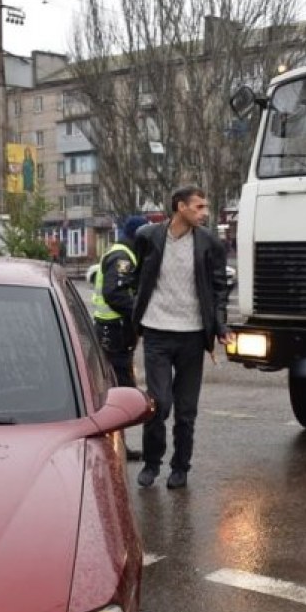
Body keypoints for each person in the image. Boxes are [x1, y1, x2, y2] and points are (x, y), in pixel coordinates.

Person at [132, 187, 231, 490]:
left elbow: (219, 289)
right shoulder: (148, 236)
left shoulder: (210, 243)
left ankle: (181, 468)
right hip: (157, 331)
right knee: (159, 404)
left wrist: (221, 326)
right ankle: (151, 463)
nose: (205, 212)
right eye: (199, 206)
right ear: (180, 207)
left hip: (192, 335)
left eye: (206, 206)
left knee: (186, 410)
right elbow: (139, 277)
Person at [92, 215, 147, 462]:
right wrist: (141, 310)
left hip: (115, 331)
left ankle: (118, 446)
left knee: (117, 388)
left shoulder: (123, 253)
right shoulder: (122, 257)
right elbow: (114, 293)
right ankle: (113, 447)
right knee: (119, 391)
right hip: (112, 332)